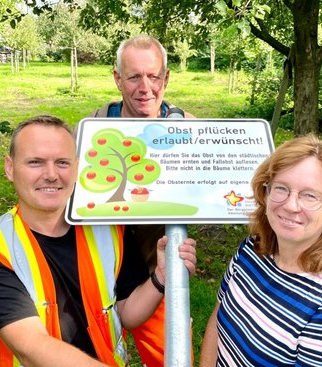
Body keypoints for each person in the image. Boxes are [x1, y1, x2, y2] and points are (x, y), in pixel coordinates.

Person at [0, 115, 197, 367]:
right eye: (35, 162)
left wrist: (160, 278)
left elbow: (128, 312)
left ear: (77, 168)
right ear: (10, 167)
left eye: (62, 162)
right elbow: (31, 348)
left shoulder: (108, 229)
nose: (51, 174)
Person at [199, 133, 322, 366]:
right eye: (281, 188)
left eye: (310, 195)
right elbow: (218, 320)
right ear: (266, 192)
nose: (291, 205)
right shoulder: (252, 250)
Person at [88, 34, 195, 366]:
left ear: (166, 78)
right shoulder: (96, 124)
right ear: (118, 79)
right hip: (102, 262)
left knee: (168, 355)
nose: (145, 87)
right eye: (134, 76)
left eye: (153, 76)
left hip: (155, 260)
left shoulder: (188, 127)